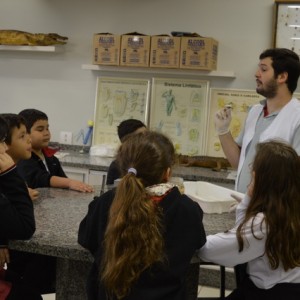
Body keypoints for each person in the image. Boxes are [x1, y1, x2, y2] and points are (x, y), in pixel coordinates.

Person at [78, 131, 206, 300]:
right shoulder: (186, 210)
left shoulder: (104, 204)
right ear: (167, 173)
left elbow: (86, 238)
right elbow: (198, 242)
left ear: (123, 169)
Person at [198, 140, 300, 300]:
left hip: (269, 293)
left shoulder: (264, 224)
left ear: (260, 178)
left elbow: (208, 249)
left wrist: (248, 201)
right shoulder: (290, 210)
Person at [215, 48, 300, 193]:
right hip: (244, 206)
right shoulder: (255, 112)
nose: (256, 74)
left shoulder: (296, 118)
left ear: (282, 77)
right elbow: (238, 163)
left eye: (264, 69)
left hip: (275, 211)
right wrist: (223, 131)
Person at [0, 116, 42, 300]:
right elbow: (25, 227)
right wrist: (10, 174)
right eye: (22, 135)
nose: (29, 139)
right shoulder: (10, 173)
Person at [17, 108, 94, 193]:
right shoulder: (24, 159)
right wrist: (70, 183)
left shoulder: (52, 159)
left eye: (47, 128)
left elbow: (63, 180)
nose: (46, 133)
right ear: (24, 134)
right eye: (40, 129)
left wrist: (75, 185)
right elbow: (41, 178)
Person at [1, 113, 39, 201]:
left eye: (27, 133)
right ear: (4, 143)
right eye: (22, 136)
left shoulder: (15, 169)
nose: (30, 139)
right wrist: (20, 197)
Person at [106, 118, 146, 185]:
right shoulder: (117, 166)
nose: (147, 140)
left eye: (147, 135)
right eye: (141, 137)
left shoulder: (152, 163)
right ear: (127, 142)